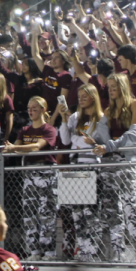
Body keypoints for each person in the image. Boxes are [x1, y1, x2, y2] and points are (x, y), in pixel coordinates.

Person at [92, 73, 136, 262]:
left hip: (125, 162)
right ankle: (118, 253)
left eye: (114, 86)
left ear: (123, 86)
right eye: (108, 87)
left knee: (130, 207)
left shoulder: (135, 104)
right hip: (109, 164)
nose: (111, 90)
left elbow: (133, 135)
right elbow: (101, 136)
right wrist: (96, 140)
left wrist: (110, 145)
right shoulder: (108, 111)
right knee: (111, 209)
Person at [56, 84, 109, 261]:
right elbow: (64, 140)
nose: (81, 99)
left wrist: (86, 141)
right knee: (76, 213)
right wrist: (64, 119)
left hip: (92, 165)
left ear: (93, 97)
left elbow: (99, 142)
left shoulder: (101, 117)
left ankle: (92, 251)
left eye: (84, 96)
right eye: (79, 96)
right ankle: (83, 250)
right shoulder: (74, 117)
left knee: (90, 213)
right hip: (75, 165)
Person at [2, 96, 57, 261]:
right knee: (30, 212)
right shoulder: (24, 130)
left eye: (34, 108)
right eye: (29, 108)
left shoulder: (49, 130)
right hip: (29, 174)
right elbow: (18, 148)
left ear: (43, 110)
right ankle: (34, 250)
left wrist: (14, 148)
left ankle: (49, 251)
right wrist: (14, 148)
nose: (31, 111)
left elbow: (35, 147)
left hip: (46, 172)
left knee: (46, 212)